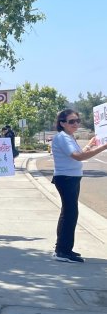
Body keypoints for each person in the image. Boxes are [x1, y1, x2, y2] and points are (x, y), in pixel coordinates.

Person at [50, 109, 107, 263]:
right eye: (71, 121)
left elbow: (79, 153)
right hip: (66, 179)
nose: (75, 124)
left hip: (71, 178)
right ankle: (62, 251)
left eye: (77, 121)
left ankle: (63, 249)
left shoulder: (68, 137)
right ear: (62, 123)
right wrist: (103, 147)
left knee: (68, 213)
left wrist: (90, 145)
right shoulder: (63, 137)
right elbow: (78, 157)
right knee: (70, 213)